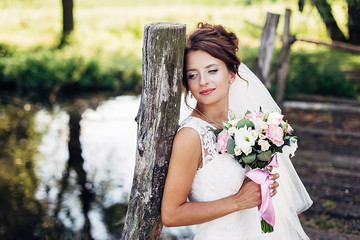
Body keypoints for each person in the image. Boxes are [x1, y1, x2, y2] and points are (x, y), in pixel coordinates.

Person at [161, 22, 312, 240]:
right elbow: (171, 214)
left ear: (232, 73)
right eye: (193, 75)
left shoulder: (240, 124)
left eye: (212, 70)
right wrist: (239, 201)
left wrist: (262, 183)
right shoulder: (191, 136)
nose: (203, 82)